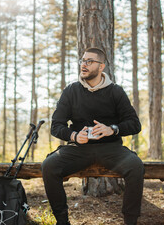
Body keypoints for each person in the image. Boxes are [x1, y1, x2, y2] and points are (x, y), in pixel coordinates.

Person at [42, 47, 144, 225]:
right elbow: (56, 126)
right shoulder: (71, 91)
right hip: (79, 149)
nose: (84, 64)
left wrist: (112, 129)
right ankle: (62, 221)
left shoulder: (115, 91)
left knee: (136, 166)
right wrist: (74, 136)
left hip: (111, 149)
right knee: (49, 165)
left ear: (101, 66)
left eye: (90, 61)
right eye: (82, 60)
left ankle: (130, 221)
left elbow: (135, 124)